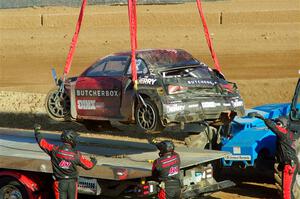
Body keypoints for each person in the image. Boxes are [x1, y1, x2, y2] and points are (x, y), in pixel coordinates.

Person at [34, 124, 97, 199]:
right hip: (72, 183)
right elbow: (88, 166)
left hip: (59, 182)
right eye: (75, 139)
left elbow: (42, 143)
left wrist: (37, 131)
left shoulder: (54, 150)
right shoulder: (76, 154)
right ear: (71, 140)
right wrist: (94, 160)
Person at [249, 113, 299, 199]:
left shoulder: (283, 133)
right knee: (289, 190)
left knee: (286, 191)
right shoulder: (290, 133)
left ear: (284, 125)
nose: (277, 125)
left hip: (289, 165)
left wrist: (262, 118)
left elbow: (273, 127)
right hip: (292, 163)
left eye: (279, 124)